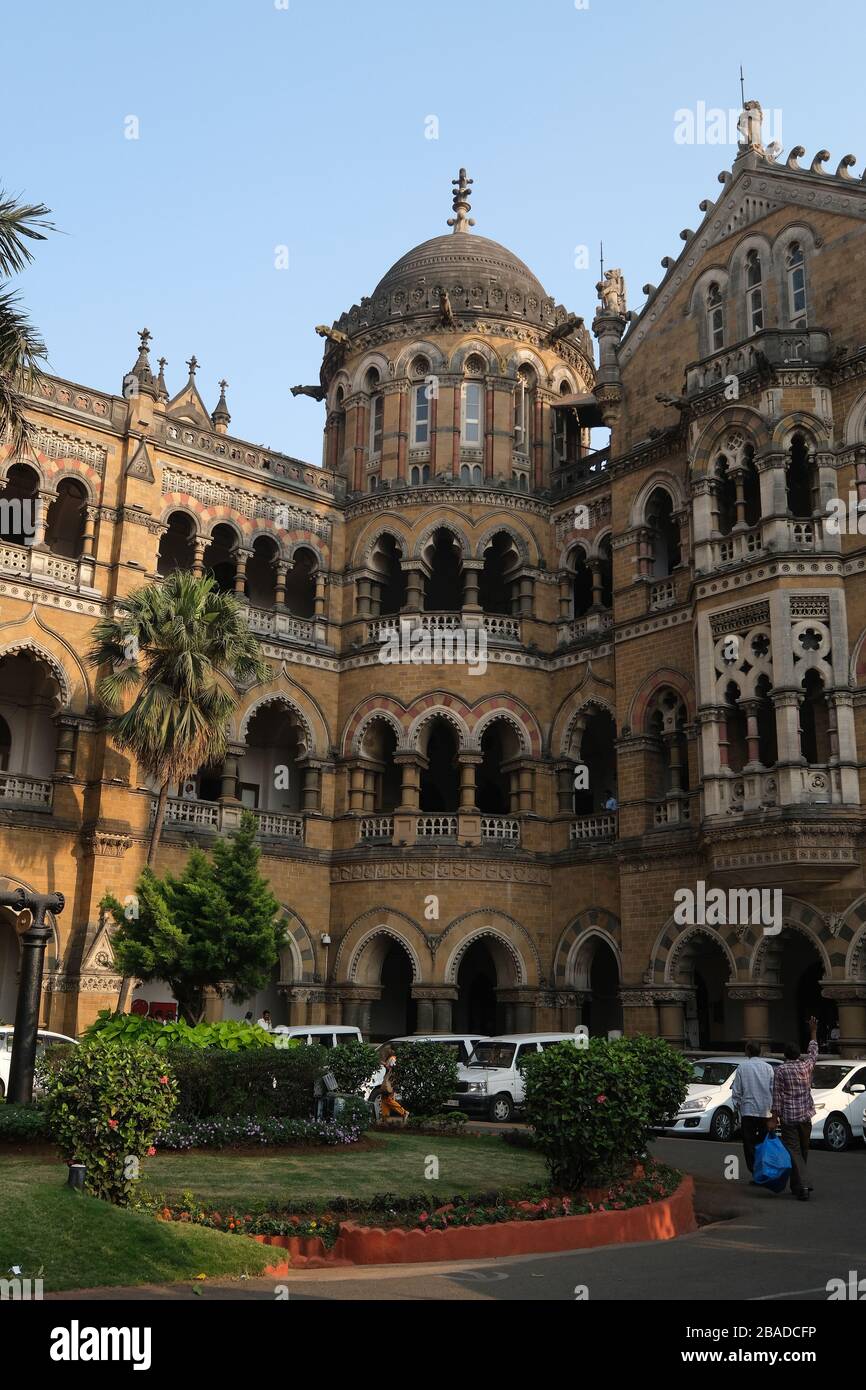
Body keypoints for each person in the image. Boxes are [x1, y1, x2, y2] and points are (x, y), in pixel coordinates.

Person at [768, 1016, 819, 1201]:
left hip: (789, 1118)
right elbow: (813, 1052)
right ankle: (797, 1185)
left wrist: (774, 1118)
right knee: (802, 1151)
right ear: (798, 1054)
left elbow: (777, 1097)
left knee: (795, 1152)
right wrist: (813, 1031)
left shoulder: (780, 1071)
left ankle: (802, 1185)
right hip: (805, 1116)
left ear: (785, 1055)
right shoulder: (806, 1066)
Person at [730, 1042, 774, 1177]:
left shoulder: (742, 1068)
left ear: (748, 1051)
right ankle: (763, 1169)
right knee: (762, 1143)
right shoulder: (768, 1068)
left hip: (748, 1111)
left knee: (749, 1144)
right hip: (765, 1111)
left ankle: (755, 1170)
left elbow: (737, 1091)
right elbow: (773, 1089)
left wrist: (736, 1107)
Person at [378, 1052, 409, 1124]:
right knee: (384, 1099)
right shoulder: (391, 1058)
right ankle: (385, 1117)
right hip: (390, 1080)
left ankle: (404, 1112)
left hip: (390, 1081)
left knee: (387, 1098)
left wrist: (385, 1064)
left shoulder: (393, 1058)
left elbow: (393, 1069)